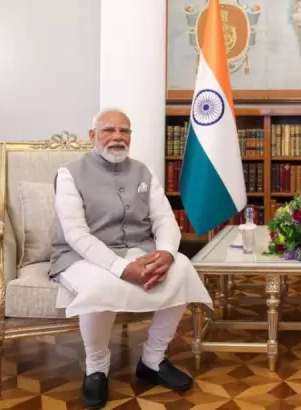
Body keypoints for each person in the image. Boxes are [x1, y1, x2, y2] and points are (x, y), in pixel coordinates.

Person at [49, 108, 213, 410]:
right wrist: (121, 268)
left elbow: (164, 219)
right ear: (93, 135)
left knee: (182, 269)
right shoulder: (69, 173)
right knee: (99, 285)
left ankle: (152, 360)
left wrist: (166, 252)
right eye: (108, 130)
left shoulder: (143, 172)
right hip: (80, 255)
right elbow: (75, 233)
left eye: (124, 131)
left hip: (138, 248)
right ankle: (97, 368)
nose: (117, 137)